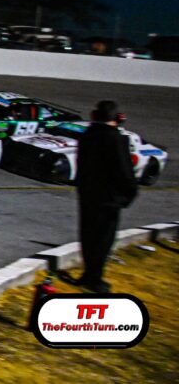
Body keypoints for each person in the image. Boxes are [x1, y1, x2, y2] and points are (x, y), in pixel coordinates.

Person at [75, 100, 138, 293]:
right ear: (117, 118)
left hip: (88, 194)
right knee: (103, 239)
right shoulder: (116, 139)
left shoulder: (87, 136)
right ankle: (94, 278)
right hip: (109, 198)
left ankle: (88, 273)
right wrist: (129, 193)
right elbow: (124, 170)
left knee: (88, 235)